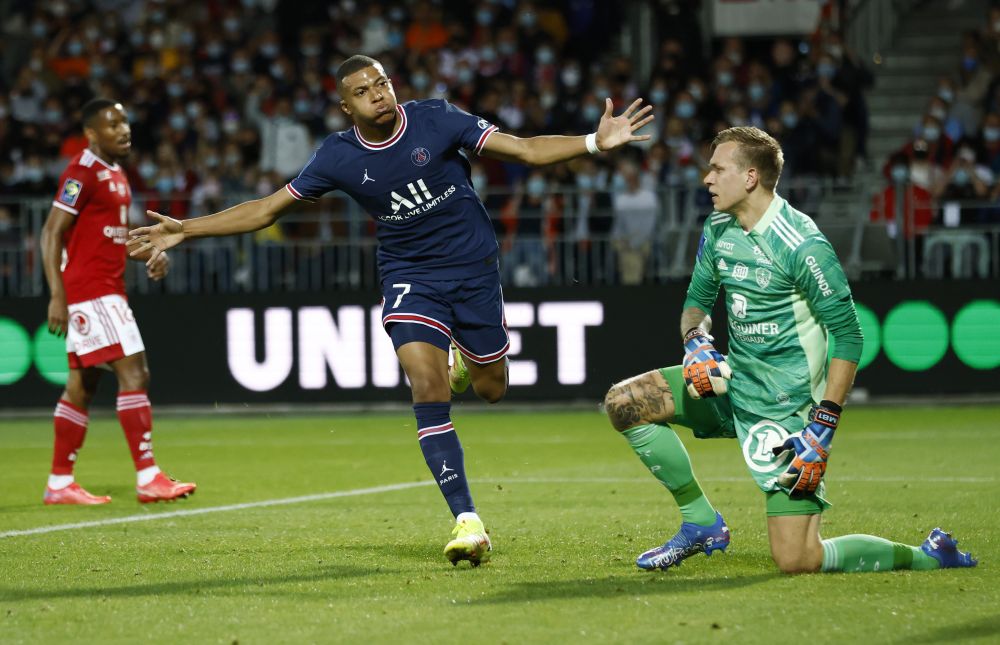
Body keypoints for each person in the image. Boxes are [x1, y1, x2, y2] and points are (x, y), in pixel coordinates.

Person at [128, 54, 652, 566]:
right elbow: (266, 209)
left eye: (381, 83)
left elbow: (524, 150)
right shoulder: (337, 156)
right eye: (362, 91)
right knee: (426, 386)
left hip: (473, 270)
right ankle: (467, 520)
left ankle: (464, 363)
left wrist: (593, 141)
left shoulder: (436, 118)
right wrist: (186, 229)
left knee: (492, 389)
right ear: (346, 107)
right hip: (409, 276)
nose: (377, 95)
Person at [603, 127, 977, 574]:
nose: (707, 178)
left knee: (798, 559)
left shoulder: (802, 244)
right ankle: (701, 522)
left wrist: (824, 425)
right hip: (733, 384)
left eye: (718, 169)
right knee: (624, 403)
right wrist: (696, 341)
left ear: (750, 177)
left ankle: (928, 556)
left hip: (789, 411)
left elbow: (849, 336)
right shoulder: (718, 228)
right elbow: (697, 305)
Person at [40, 98, 197, 506]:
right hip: (92, 291)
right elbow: (52, 231)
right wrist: (57, 295)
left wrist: (152, 253)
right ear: (91, 133)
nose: (123, 129)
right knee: (135, 373)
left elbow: (113, 238)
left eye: (125, 121)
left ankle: (59, 483)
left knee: (82, 386)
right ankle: (148, 477)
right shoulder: (82, 171)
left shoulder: (117, 174)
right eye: (112, 124)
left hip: (105, 288)